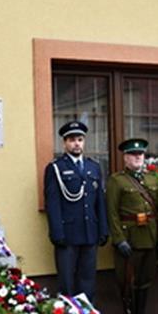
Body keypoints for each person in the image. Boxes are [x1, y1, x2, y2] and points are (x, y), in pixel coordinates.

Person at [105, 138, 158, 314]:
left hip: (150, 238)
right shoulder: (117, 181)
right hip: (129, 241)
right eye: (133, 154)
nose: (137, 157)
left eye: (140, 154)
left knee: (145, 281)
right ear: (125, 158)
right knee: (127, 282)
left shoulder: (152, 179)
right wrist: (119, 239)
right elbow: (112, 213)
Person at [43, 121, 108, 302]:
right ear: (64, 143)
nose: (77, 144)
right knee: (67, 282)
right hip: (68, 234)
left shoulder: (93, 167)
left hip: (90, 232)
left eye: (80, 139)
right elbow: (52, 203)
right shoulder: (56, 168)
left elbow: (99, 202)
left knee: (88, 280)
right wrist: (57, 233)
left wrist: (103, 229)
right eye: (72, 140)